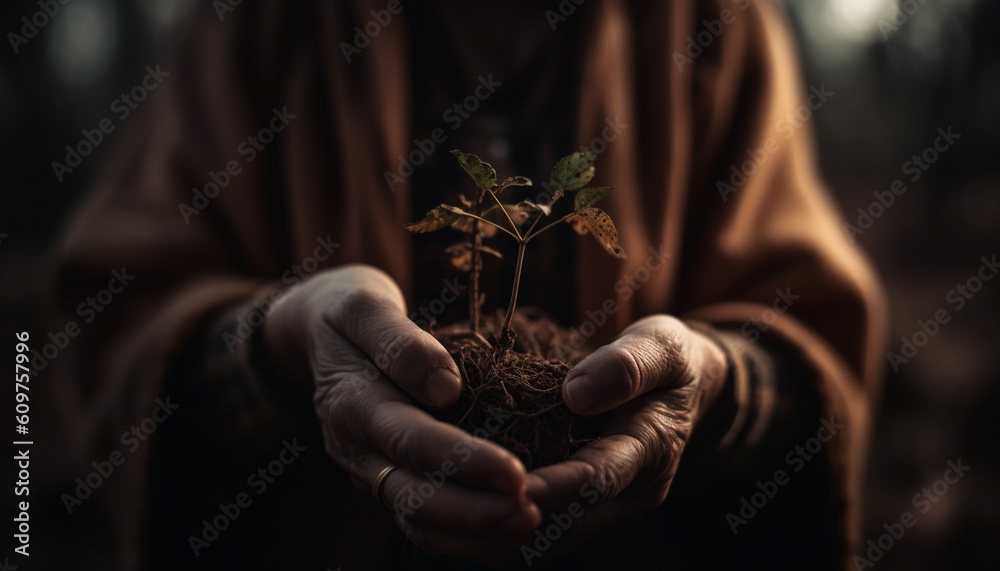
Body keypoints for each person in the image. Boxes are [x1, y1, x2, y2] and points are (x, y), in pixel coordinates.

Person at [52, 0, 886, 569]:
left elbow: (813, 334)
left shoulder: (714, 23)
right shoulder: (262, 23)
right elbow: (111, 318)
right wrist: (275, 346)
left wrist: (720, 386)